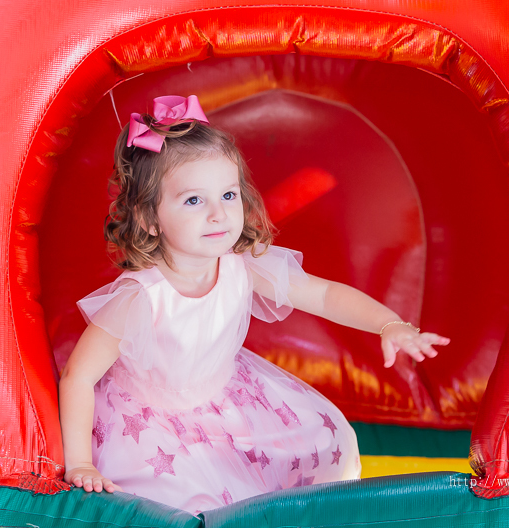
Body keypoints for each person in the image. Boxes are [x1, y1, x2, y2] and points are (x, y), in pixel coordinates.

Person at [59, 94, 451, 515]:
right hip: (151, 422)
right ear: (148, 219)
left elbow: (323, 294)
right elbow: (78, 377)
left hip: (228, 398)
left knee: (327, 442)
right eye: (194, 200)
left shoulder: (243, 266)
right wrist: (80, 461)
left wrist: (388, 324)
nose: (218, 214)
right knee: (188, 504)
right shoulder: (140, 299)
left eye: (228, 195)